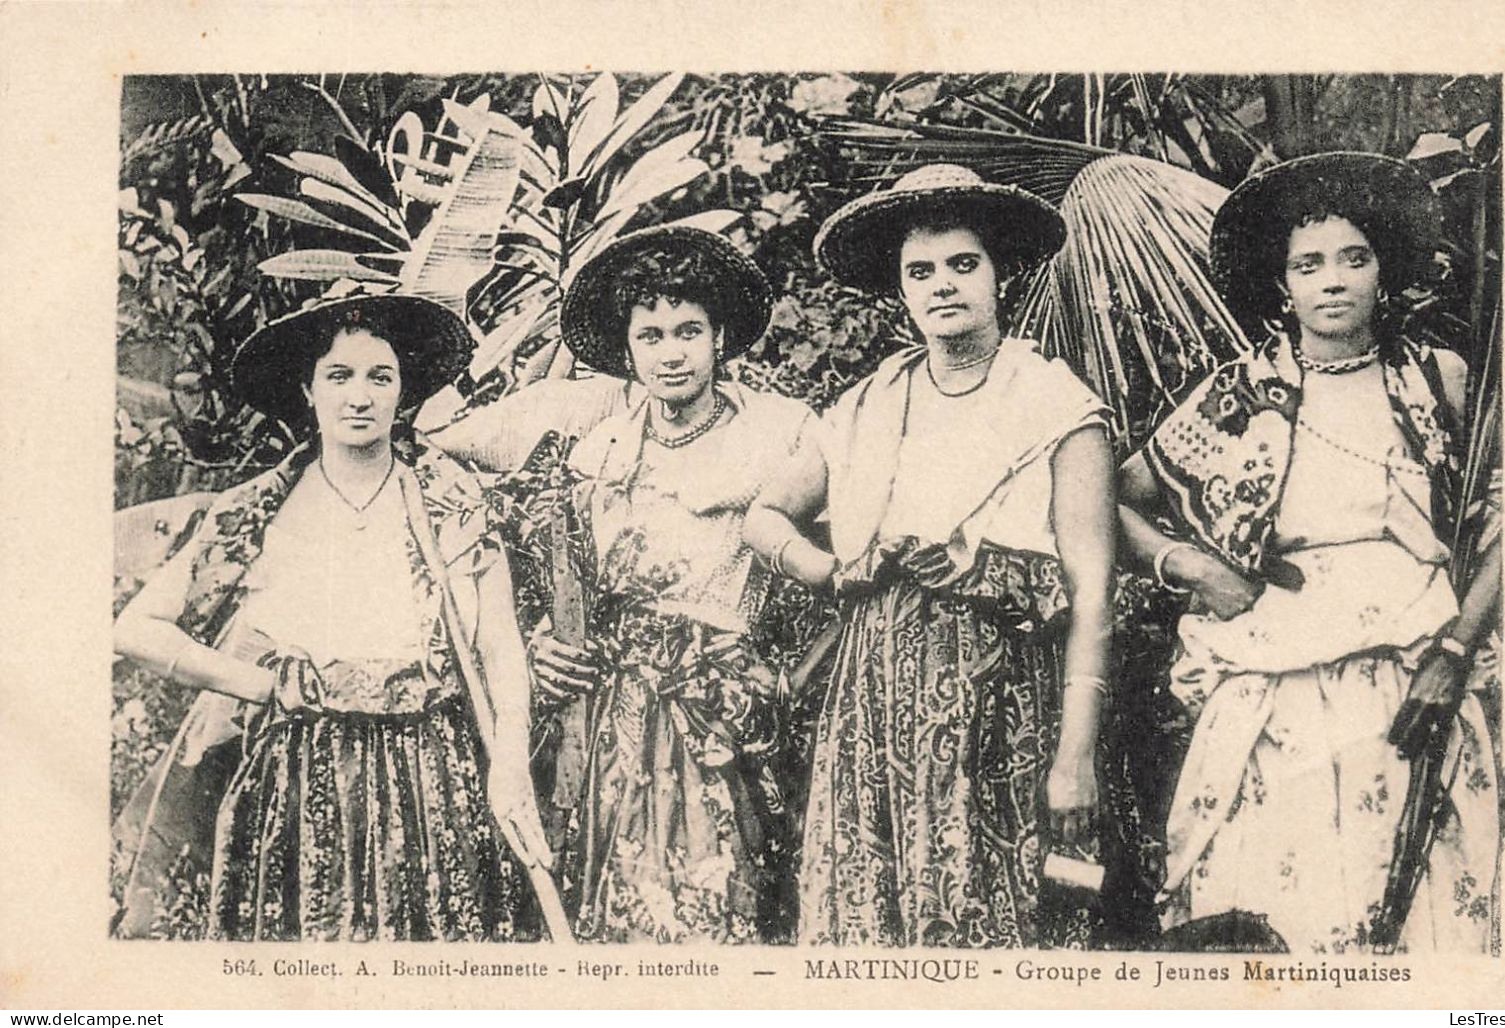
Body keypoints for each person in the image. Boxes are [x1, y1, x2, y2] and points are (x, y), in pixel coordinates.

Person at [1116, 152, 1501, 953]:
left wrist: (1457, 648)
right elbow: (1102, 498)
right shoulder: (1237, 392)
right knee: (1269, 907)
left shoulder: (1438, 380)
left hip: (1409, 675)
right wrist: (1188, 565)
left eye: (1353, 258)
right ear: (1279, 283)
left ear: (1383, 269)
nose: (1332, 281)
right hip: (1271, 684)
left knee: (1409, 900)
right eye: (1307, 264)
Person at [744, 164, 1119, 947]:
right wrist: (827, 570)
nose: (942, 285)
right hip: (871, 698)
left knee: (993, 914)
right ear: (901, 289)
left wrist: (1073, 755)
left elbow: (1090, 594)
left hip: (1003, 703)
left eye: (962, 264)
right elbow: (765, 515)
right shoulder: (867, 403)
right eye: (921, 271)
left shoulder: (1056, 404)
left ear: (998, 275)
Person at [113, 294, 554, 941]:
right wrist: (262, 686)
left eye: (380, 376)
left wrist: (509, 761)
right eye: (338, 376)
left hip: (427, 775)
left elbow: (499, 647)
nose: (359, 396)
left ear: (403, 392)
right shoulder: (259, 507)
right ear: (307, 388)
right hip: (298, 775)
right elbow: (136, 628)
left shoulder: (450, 500)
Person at [526, 225, 816, 943]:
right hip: (613, 716)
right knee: (619, 900)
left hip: (728, 710)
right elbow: (568, 587)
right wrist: (541, 641)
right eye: (651, 335)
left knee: (723, 899)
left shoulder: (780, 434)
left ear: (720, 338)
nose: (672, 352)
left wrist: (786, 679)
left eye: (689, 330)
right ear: (627, 351)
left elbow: (845, 565)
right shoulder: (599, 453)